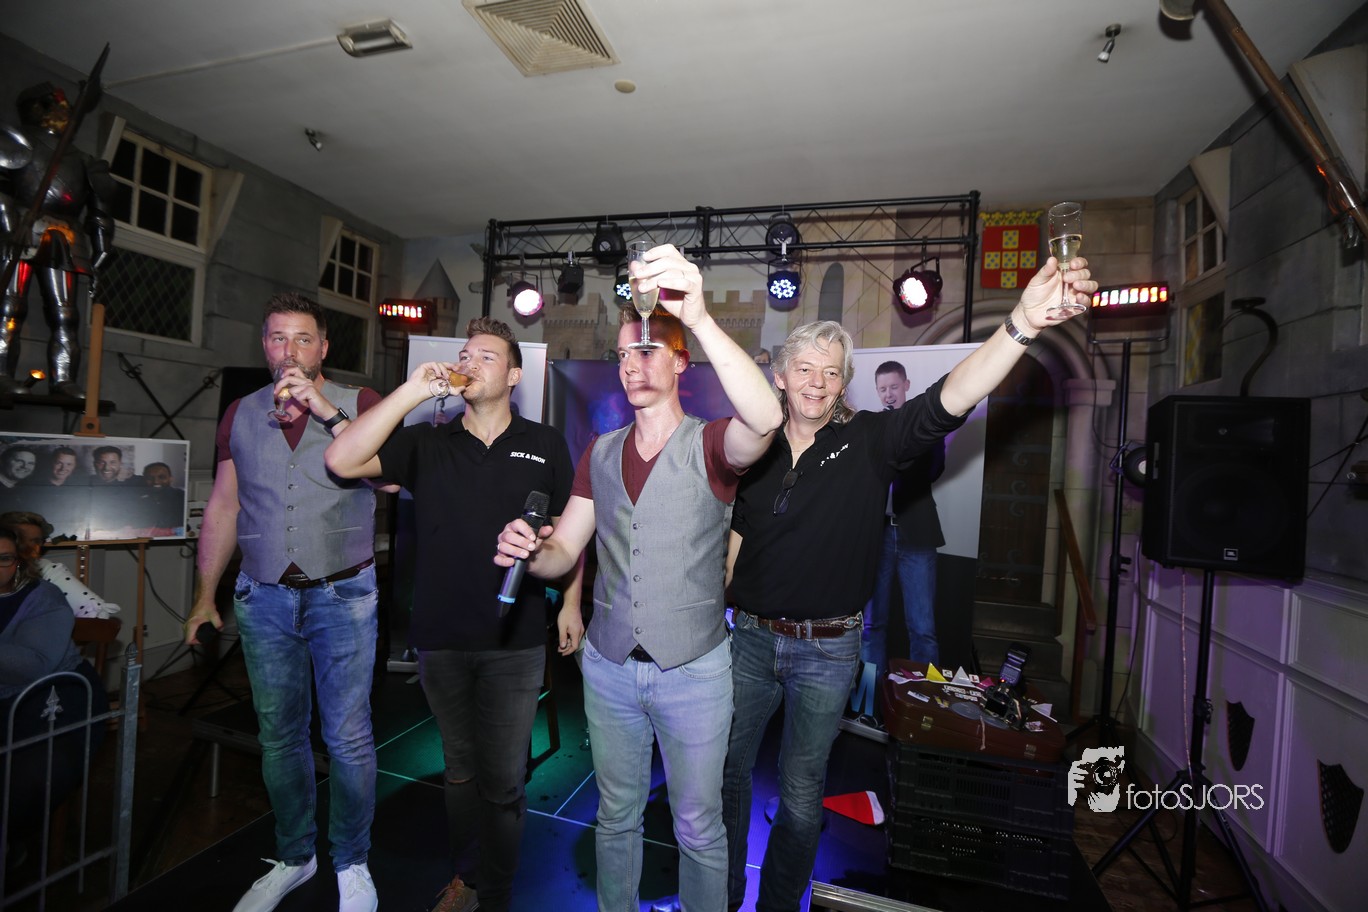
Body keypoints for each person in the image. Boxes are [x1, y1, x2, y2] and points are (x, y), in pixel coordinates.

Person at [722, 255, 1096, 912]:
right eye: (804, 368)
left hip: (827, 649)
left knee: (802, 795)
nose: (817, 382)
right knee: (724, 779)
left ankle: (777, 907)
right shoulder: (753, 446)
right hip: (748, 642)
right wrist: (722, 609)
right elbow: (740, 534)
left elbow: (951, 398)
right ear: (779, 376)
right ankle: (720, 897)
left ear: (844, 383)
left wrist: (1021, 323)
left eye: (831, 372)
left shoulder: (872, 440)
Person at [495, 244, 782, 912]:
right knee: (616, 815)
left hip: (694, 672)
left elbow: (767, 418)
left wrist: (700, 317)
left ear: (680, 362)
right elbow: (565, 550)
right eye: (623, 354)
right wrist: (530, 552)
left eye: (647, 350)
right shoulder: (599, 452)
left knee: (697, 825)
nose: (631, 364)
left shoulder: (712, 444)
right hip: (610, 667)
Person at [325, 316, 580, 912]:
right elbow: (342, 460)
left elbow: (571, 531)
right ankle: (467, 878)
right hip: (441, 636)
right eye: (466, 354)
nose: (470, 362)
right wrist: (413, 391)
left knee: (505, 779)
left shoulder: (545, 443)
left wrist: (571, 601)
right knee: (460, 770)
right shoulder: (427, 441)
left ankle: (498, 894)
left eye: (487, 356)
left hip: (515, 640)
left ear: (514, 375)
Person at [183, 292, 388, 912]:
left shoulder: (360, 402)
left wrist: (326, 412)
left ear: (323, 347)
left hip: (343, 593)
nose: (290, 350)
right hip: (263, 595)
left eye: (303, 338)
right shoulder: (241, 412)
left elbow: (390, 476)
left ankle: (352, 859)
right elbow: (224, 505)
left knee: (348, 737)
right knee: (278, 737)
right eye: (278, 337)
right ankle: (295, 856)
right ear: (264, 345)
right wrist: (204, 596)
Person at [0, 81, 114, 397]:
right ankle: (2, 373)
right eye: (57, 104)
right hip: (21, 226)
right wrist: (9, 225)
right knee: (10, 307)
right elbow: (1, 188)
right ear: (37, 108)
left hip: (66, 233)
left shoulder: (83, 160)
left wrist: (101, 249)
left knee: (65, 314)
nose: (64, 111)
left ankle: (63, 379)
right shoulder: (15, 143)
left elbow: (99, 212)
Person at [0, 524, 109, 844]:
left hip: (51, 694)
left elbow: (33, 666)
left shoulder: (41, 596)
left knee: (35, 771)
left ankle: (11, 843)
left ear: (18, 562)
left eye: (4, 558)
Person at [863, 360, 947, 673]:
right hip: (878, 535)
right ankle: (868, 696)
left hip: (917, 534)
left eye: (894, 387)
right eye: (882, 389)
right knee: (871, 624)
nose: (888, 394)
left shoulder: (924, 425)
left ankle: (922, 698)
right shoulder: (872, 427)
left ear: (906, 386)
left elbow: (934, 470)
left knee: (922, 628)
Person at [0, 511, 120, 618]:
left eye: (38, 541)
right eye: (21, 540)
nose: (33, 547)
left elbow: (95, 611)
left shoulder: (45, 570)